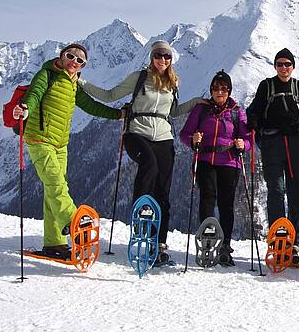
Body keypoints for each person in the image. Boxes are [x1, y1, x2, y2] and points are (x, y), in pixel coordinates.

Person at [78, 41, 205, 266]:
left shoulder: (173, 83)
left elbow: (173, 112)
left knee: (164, 193)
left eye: (166, 57)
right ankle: (142, 206)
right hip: (137, 132)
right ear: (152, 57)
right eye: (158, 55)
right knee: (149, 164)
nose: (162, 60)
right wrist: (81, 81)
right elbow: (109, 96)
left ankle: (160, 245)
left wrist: (195, 102)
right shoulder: (139, 78)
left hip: (164, 136)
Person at [12, 43, 123, 259]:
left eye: (80, 60)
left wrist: (118, 115)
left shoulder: (73, 84)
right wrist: (25, 109)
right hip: (39, 139)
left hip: (61, 144)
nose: (74, 61)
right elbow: (34, 95)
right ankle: (72, 223)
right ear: (62, 56)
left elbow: (91, 106)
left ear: (82, 66)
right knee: (55, 183)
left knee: (51, 191)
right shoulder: (47, 74)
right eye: (71, 56)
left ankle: (54, 244)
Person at [245, 48, 299, 265]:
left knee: (297, 193)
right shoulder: (266, 86)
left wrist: (295, 128)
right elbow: (253, 110)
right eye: (280, 64)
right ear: (275, 66)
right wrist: (254, 122)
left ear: (293, 66)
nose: (284, 68)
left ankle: (291, 241)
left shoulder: (298, 87)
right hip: (272, 142)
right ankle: (278, 239)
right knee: (276, 189)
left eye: (287, 64)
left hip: (294, 144)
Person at [179, 70, 251, 267]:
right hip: (206, 159)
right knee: (208, 198)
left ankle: (225, 246)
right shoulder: (201, 110)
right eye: (216, 89)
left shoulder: (237, 112)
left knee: (227, 203)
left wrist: (243, 145)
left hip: (229, 161)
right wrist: (193, 141)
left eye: (224, 89)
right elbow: (185, 133)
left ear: (229, 91)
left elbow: (248, 138)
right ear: (211, 90)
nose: (220, 92)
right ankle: (207, 240)